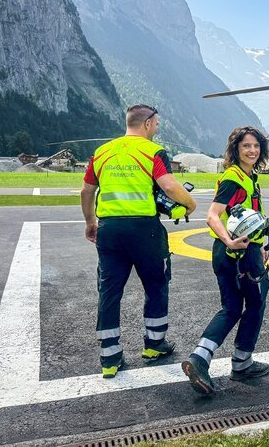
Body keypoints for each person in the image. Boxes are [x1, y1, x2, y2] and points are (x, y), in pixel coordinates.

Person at [80, 104, 197, 378]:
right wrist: (190, 205)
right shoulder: (153, 152)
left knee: (109, 291)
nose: (157, 129)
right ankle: (154, 345)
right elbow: (168, 186)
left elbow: (86, 191)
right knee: (156, 285)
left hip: (109, 230)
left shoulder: (102, 152)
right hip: (145, 231)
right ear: (147, 124)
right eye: (156, 124)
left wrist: (89, 222)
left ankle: (109, 357)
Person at [181, 126, 269, 395]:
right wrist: (230, 242)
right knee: (255, 302)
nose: (252, 150)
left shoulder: (248, 177)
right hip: (237, 254)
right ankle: (242, 362)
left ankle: (200, 358)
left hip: (235, 252)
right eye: (246, 146)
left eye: (256, 146)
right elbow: (212, 215)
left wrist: (260, 245)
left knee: (232, 307)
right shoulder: (234, 179)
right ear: (236, 149)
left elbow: (247, 217)